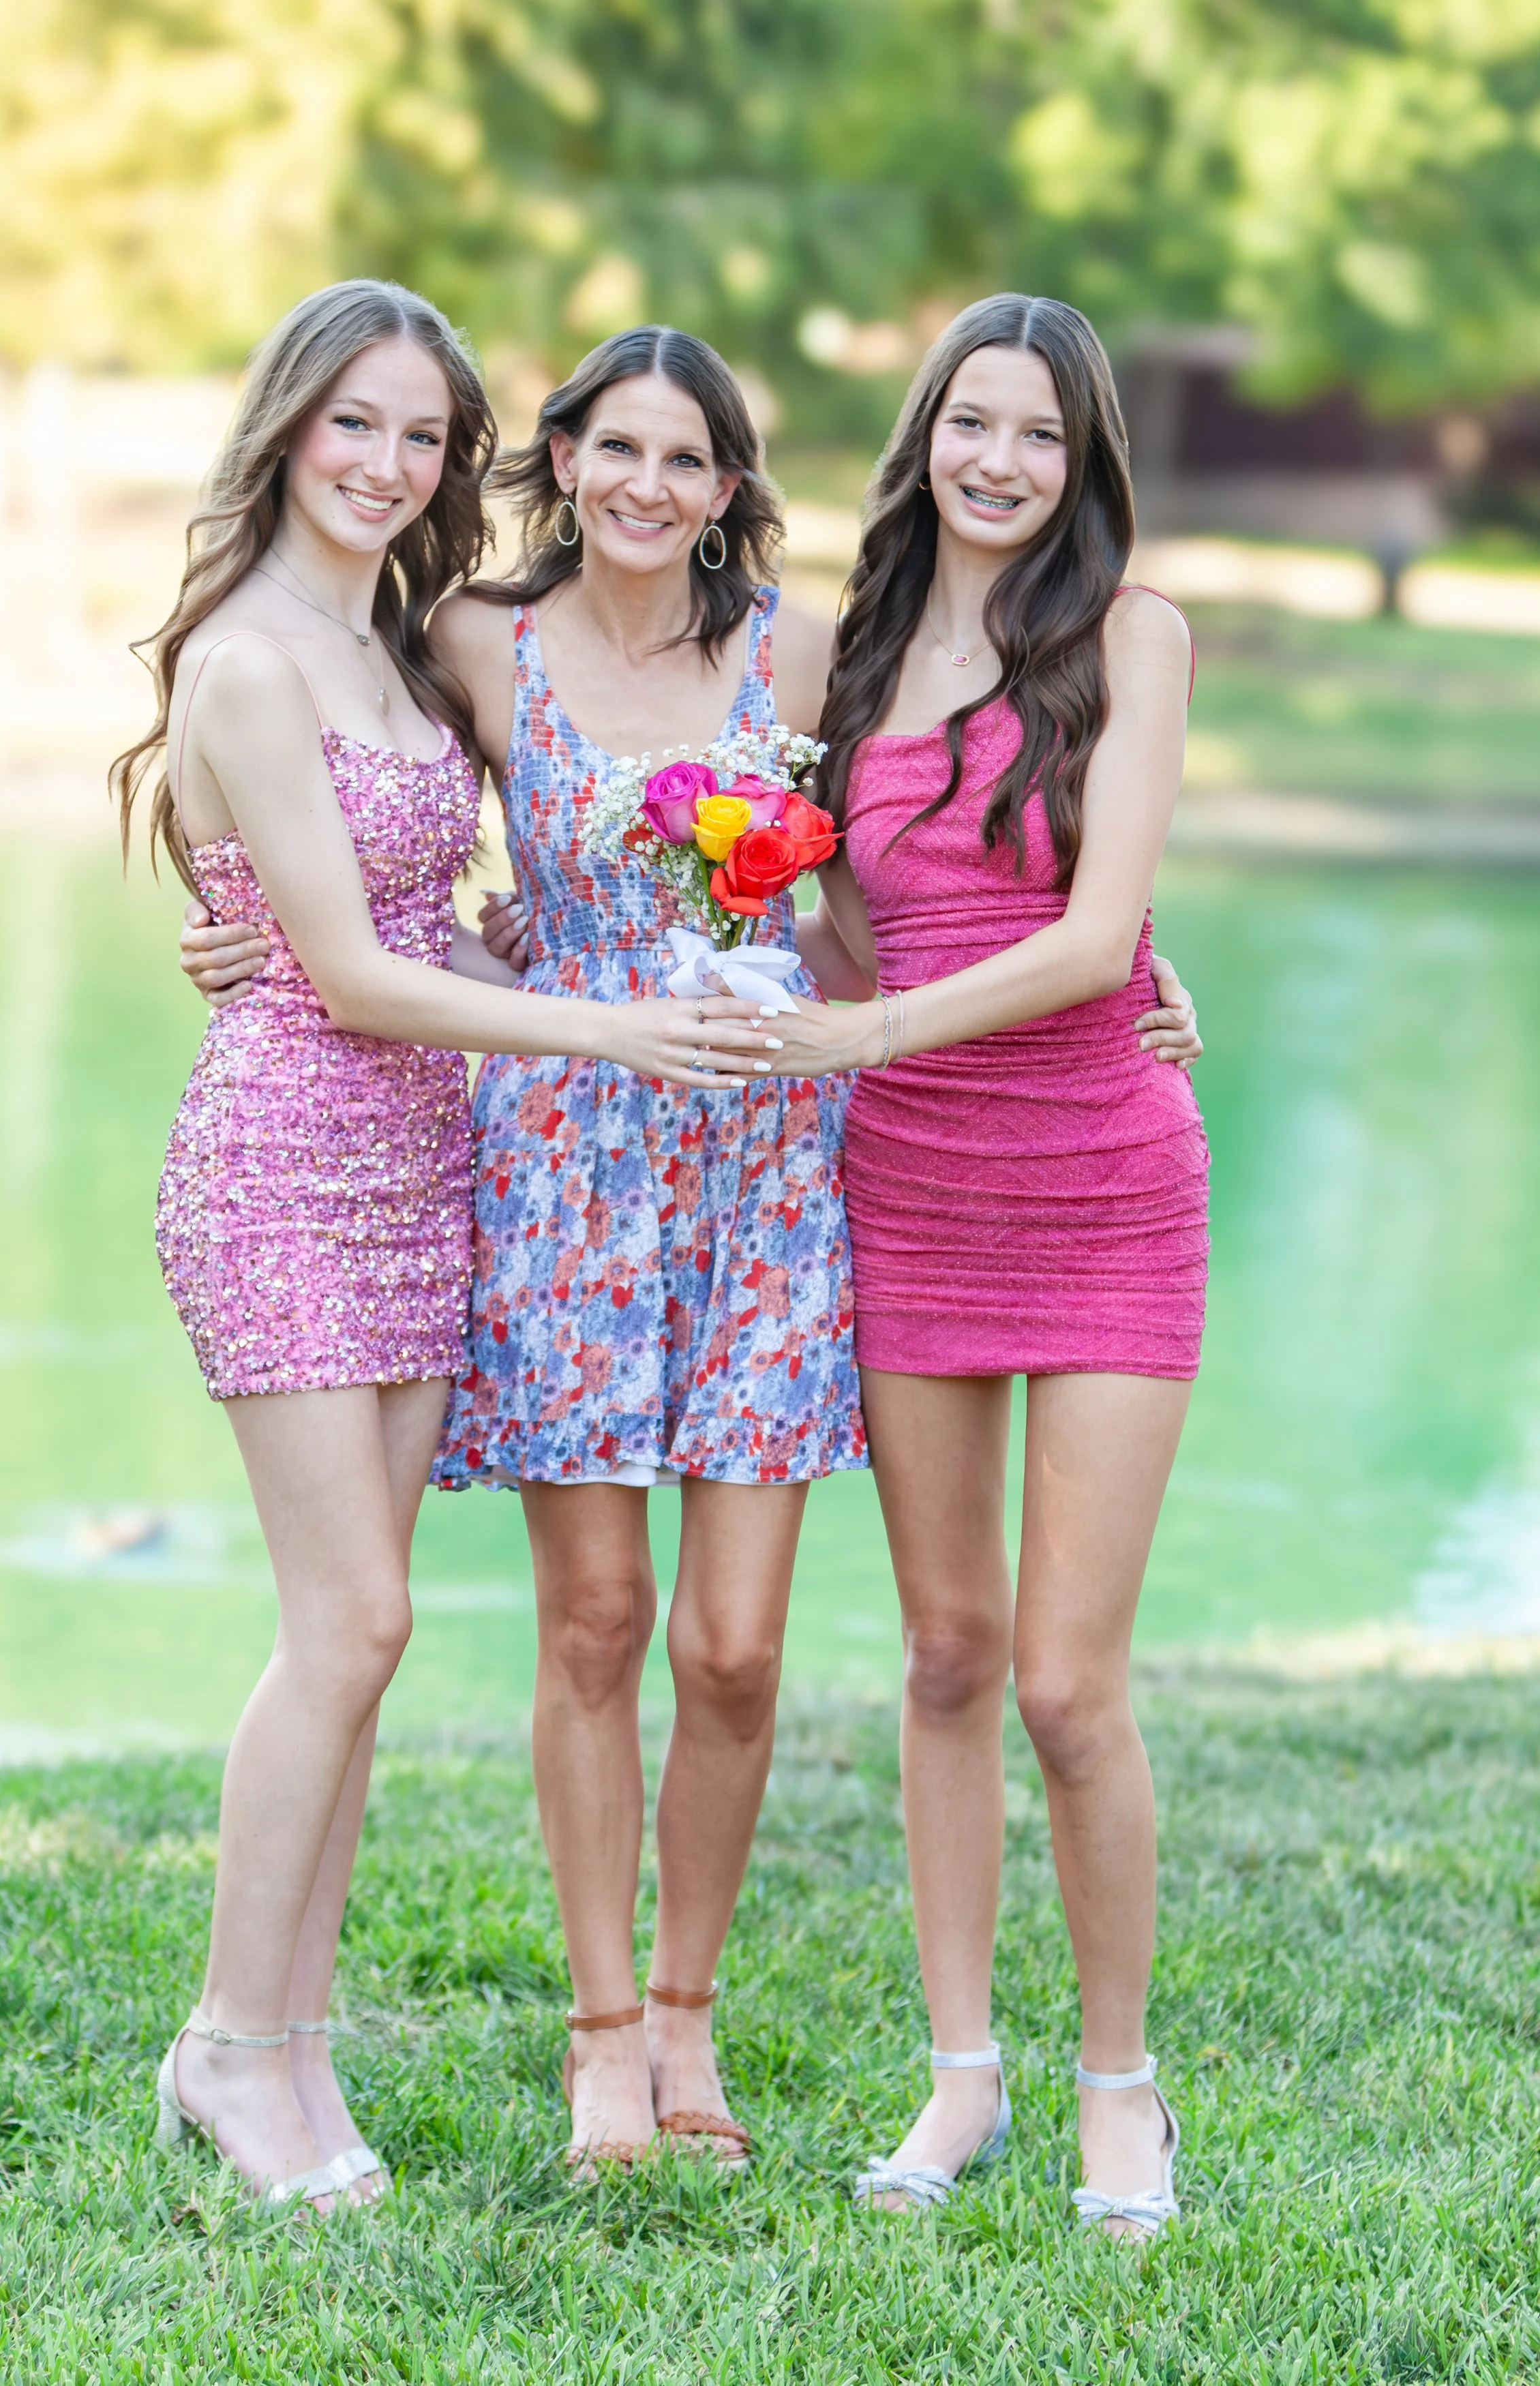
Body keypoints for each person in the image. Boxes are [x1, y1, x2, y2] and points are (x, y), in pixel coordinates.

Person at [181, 317, 1206, 2184]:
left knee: (733, 1648)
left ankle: (689, 2015)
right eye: (614, 449)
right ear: (560, 458)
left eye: (688, 459)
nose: (647, 486)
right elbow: (345, 822)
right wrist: (228, 924)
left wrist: (1141, 967)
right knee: (595, 1623)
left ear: (733, 487)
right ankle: (597, 2040)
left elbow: (900, 876)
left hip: (768, 1176)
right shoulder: (467, 644)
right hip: (560, 1163)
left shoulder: (811, 651)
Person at [112, 282, 777, 2212]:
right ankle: (234, 2044)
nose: (388, 462)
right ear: (287, 427)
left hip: (431, 1174)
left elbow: (433, 923)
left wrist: (579, 967)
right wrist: (606, 1026)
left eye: (420, 434)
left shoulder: (395, 649)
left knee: (362, 1638)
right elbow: (345, 973)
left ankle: (292, 2046)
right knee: (354, 1624)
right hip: (288, 1170)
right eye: (355, 424)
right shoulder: (253, 659)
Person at [733, 294, 1207, 2238]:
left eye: (1034, 432)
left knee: (1066, 1682)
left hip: (1102, 1181)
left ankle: (1120, 2087)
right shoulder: (835, 657)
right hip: (909, 1187)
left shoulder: (1129, 639)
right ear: (922, 431)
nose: (995, 459)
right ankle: (961, 2080)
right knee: (940, 1651)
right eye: (966, 421)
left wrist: (864, 1034)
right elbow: (838, 929)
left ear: (1081, 458)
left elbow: (1097, 939)